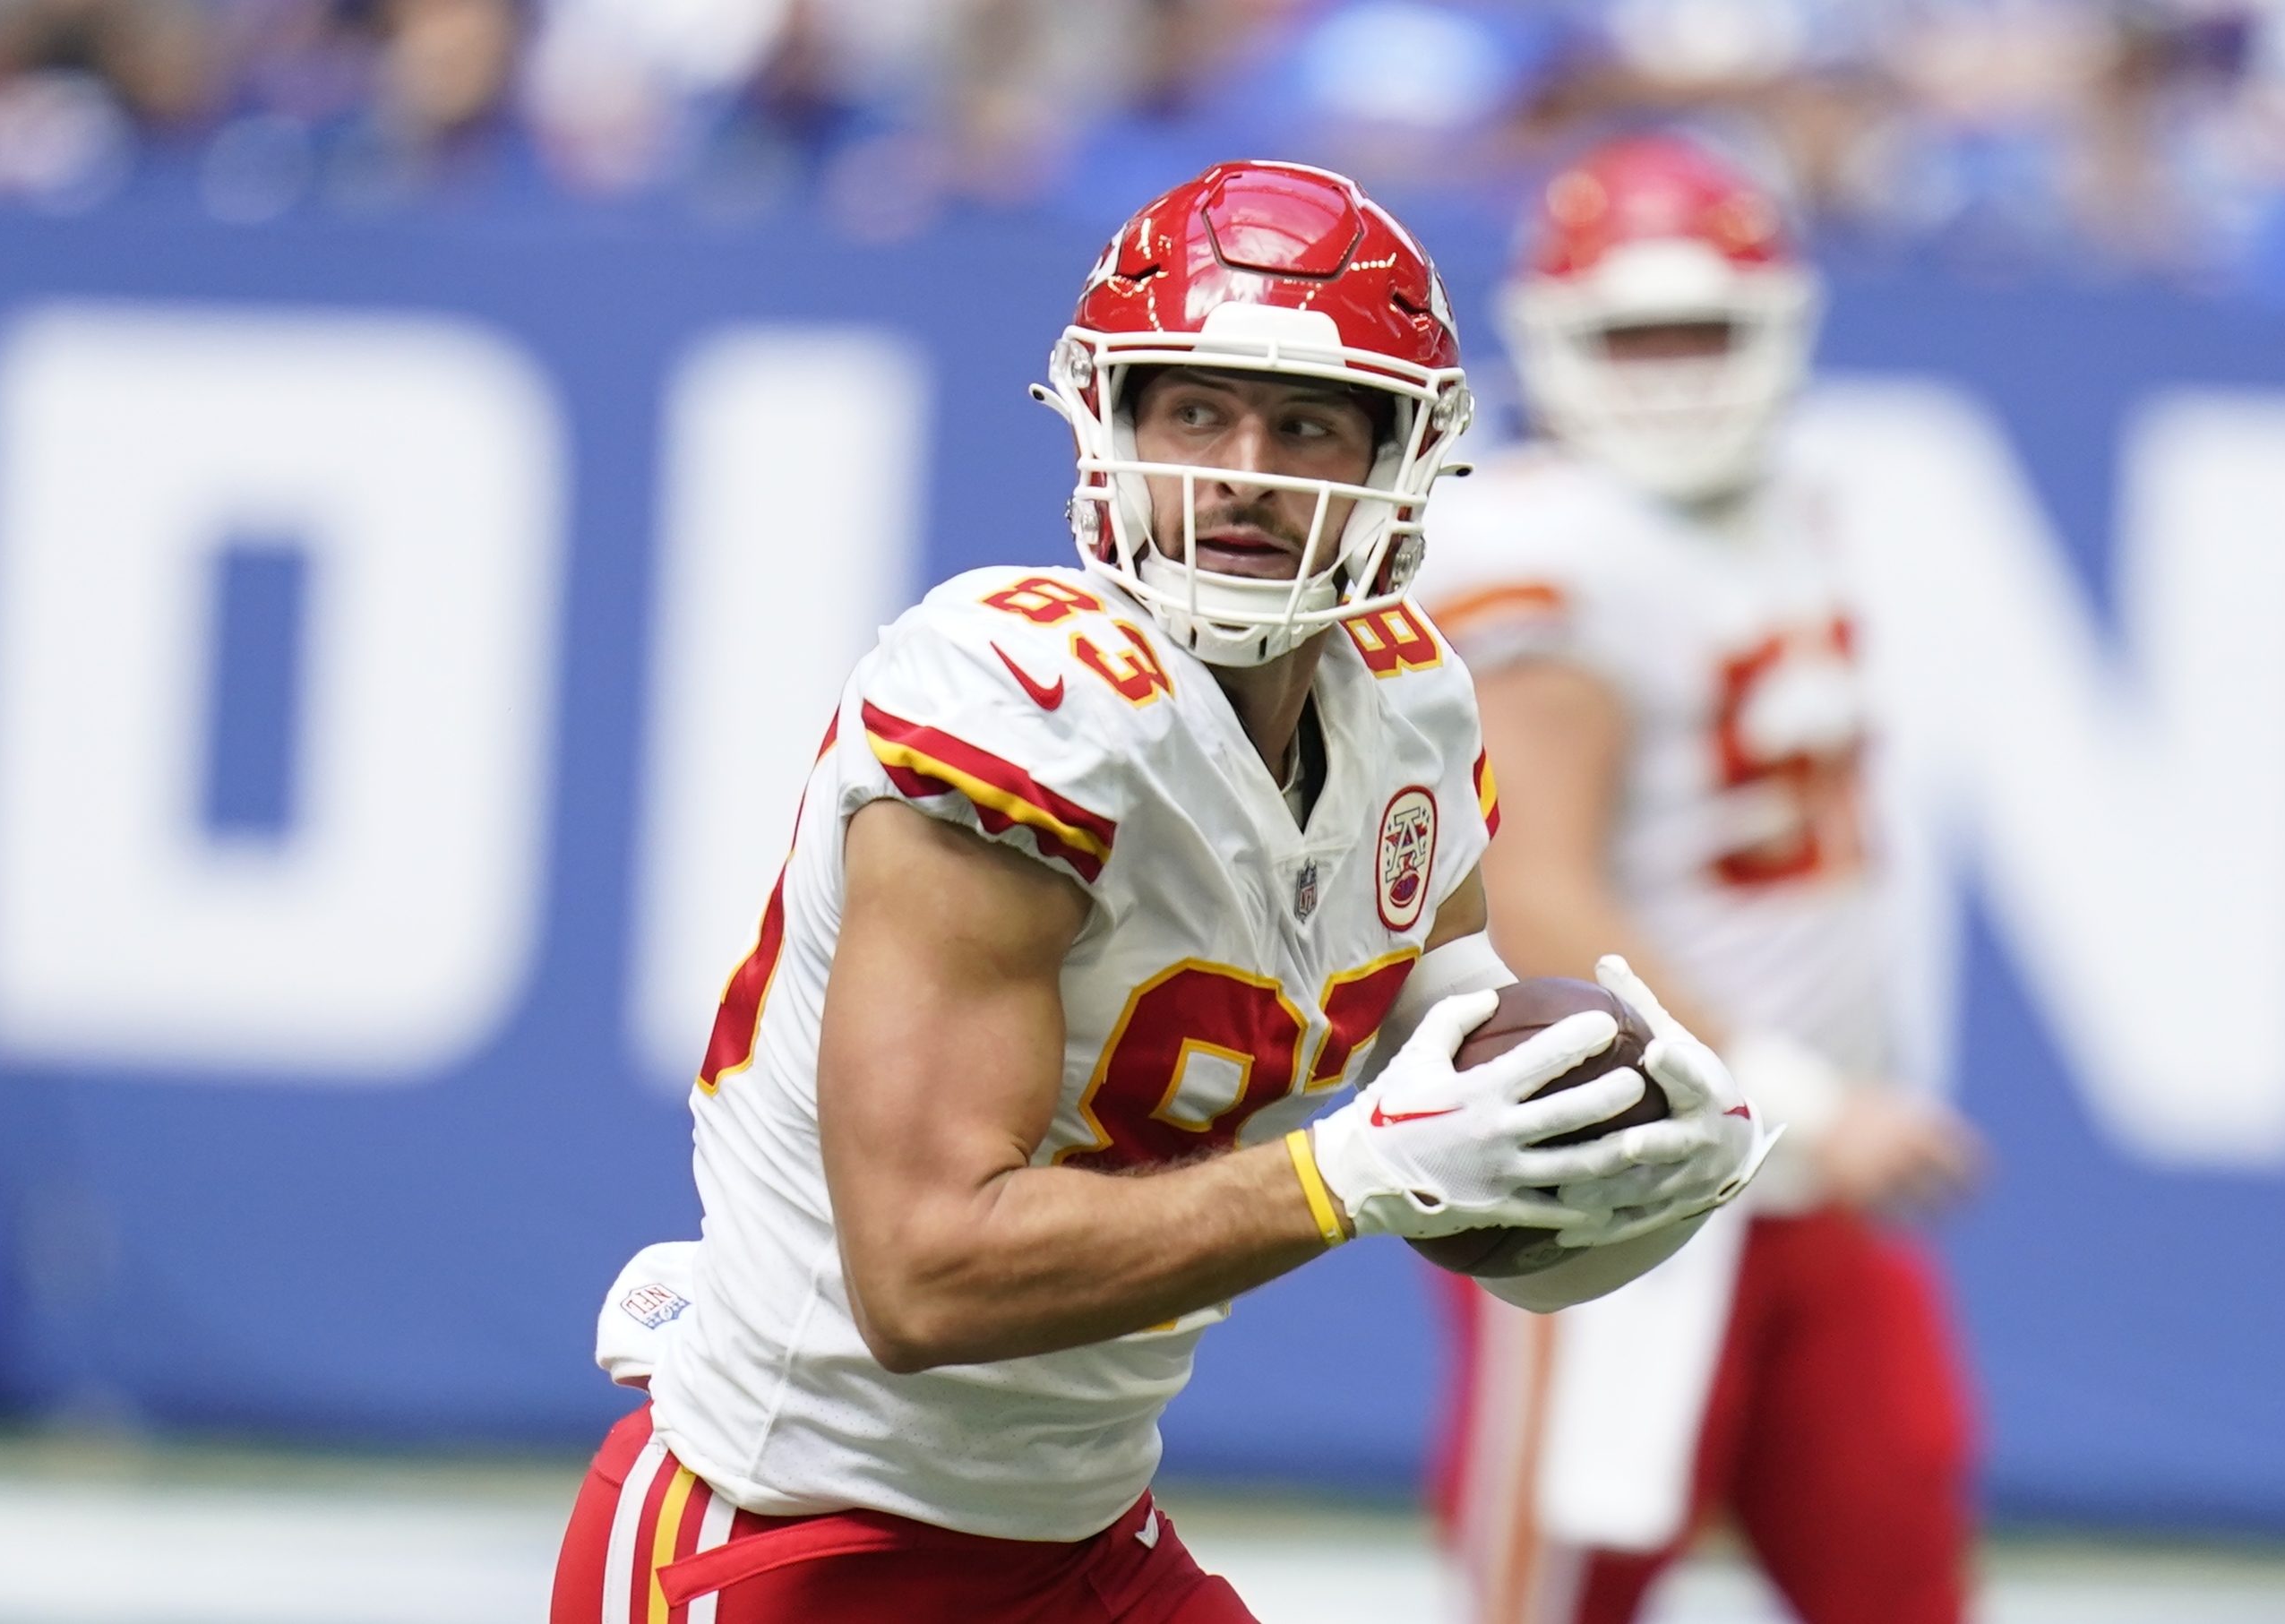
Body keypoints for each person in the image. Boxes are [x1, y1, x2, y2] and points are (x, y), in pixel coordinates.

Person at [546, 159, 1770, 1624]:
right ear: (1107, 424)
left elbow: (1450, 1042)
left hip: (1082, 1532)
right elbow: (925, 1275)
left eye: (1306, 421)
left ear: (1399, 462)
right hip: (795, 1537)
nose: (1243, 466)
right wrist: (1351, 1174)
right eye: (1196, 408)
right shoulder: (1016, 701)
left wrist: (1596, 1137)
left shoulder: (1408, 704)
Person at [1413, 134, 1985, 1624]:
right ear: (1552, 342)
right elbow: (1531, 889)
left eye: (1703, 330)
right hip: (1626, 1180)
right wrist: (1799, 1086)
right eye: (1630, 335)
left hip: (1804, 1182)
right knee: (1562, 1590)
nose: (1670, 370)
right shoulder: (1538, 541)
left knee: (1900, 1570)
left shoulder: (1798, 499)